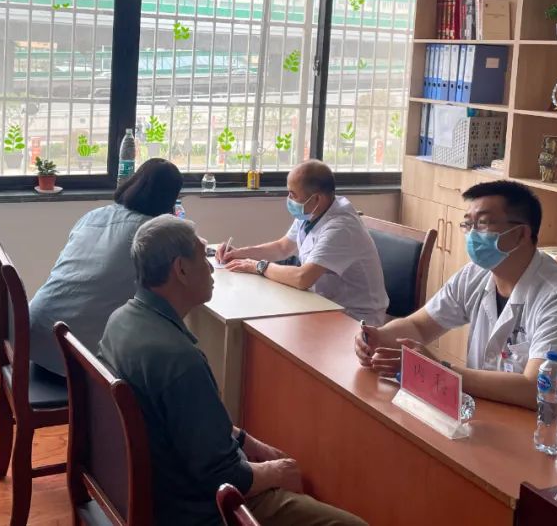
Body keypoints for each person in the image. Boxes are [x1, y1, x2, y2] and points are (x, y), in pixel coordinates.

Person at [100, 215, 368, 526]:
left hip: (152, 484)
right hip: (196, 508)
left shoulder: (121, 321)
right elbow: (224, 477)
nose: (211, 267)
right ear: (181, 270)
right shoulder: (180, 361)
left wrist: (245, 440)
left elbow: (186, 421)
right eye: (203, 258)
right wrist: (277, 472)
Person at [355, 180, 557, 441]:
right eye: (468, 224)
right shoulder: (475, 275)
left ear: (521, 234)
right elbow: (419, 326)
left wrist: (443, 372)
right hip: (493, 413)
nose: (472, 235)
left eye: (484, 224)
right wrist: (378, 337)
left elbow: (534, 388)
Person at [29, 158, 184, 376]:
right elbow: (185, 274)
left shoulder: (95, 215)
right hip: (76, 355)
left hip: (34, 334)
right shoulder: (150, 234)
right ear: (170, 199)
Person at [217, 160, 389, 325]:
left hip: (354, 318)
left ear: (317, 199)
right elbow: (282, 247)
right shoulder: (312, 212)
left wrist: (259, 266)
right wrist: (239, 253)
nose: (289, 199)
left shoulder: (341, 227)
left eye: (293, 194)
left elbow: (302, 278)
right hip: (321, 304)